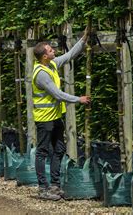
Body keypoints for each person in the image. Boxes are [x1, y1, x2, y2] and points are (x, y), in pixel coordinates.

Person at [32, 28, 91, 201]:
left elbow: (70, 55)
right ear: (44, 56)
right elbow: (57, 94)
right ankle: (43, 188)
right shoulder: (41, 74)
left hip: (55, 116)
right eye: (50, 50)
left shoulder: (51, 64)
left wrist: (84, 39)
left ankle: (55, 185)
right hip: (44, 119)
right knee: (42, 152)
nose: (54, 51)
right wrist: (78, 99)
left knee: (59, 149)